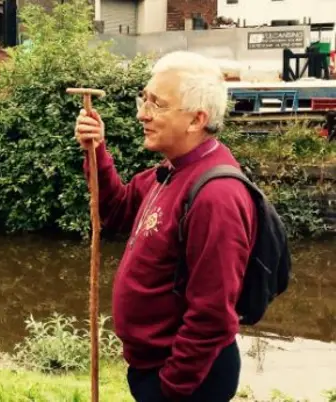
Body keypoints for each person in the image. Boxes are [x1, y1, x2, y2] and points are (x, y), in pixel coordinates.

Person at [74, 51, 257, 401]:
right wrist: (95, 149)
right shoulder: (172, 170)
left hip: (186, 382)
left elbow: (212, 315)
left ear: (196, 119)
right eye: (145, 98)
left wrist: (170, 388)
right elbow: (115, 211)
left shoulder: (216, 196)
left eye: (157, 104)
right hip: (154, 368)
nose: (143, 113)